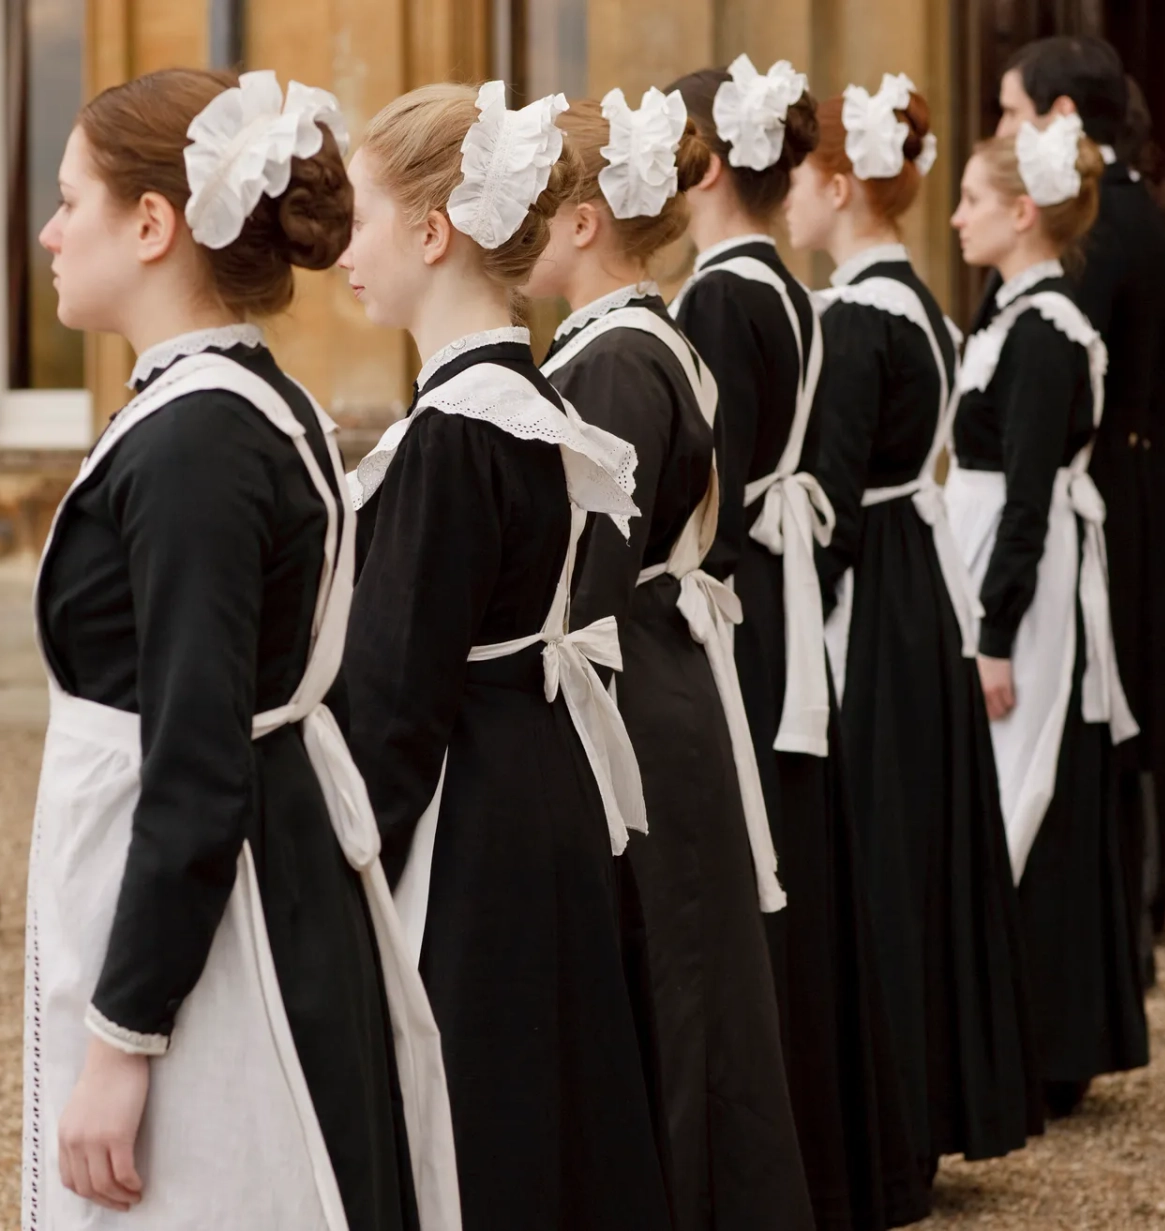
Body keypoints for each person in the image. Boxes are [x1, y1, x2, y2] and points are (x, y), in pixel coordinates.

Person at [22, 68, 456, 1231]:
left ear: (154, 224)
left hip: (226, 924)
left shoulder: (198, 440)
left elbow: (199, 767)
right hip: (261, 861)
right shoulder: (244, 399)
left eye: (72, 201)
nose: (51, 232)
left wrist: (124, 1040)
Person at [339, 80, 672, 1231]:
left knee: (482, 1106)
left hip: (471, 808)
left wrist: (333, 866)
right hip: (540, 783)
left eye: (360, 218)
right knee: (550, 1095)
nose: (343, 251)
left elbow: (392, 697)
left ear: (432, 233)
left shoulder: (453, 432)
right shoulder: (521, 400)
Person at [522, 87, 813, 1231]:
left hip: (640, 682)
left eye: (538, 206)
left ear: (587, 220)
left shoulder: (617, 362)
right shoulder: (635, 339)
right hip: (661, 668)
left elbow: (587, 568)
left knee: (679, 975)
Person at [669, 56, 926, 1230]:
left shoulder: (724, 295)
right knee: (798, 864)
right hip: (778, 588)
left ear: (710, 166)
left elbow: (705, 483)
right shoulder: (781, 282)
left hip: (745, 599)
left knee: (761, 867)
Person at [784, 75, 1040, 1173]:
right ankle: (927, 1104)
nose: (789, 199)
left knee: (879, 849)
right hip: (919, 588)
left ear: (840, 186)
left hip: (876, 603)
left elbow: (833, 501)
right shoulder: (924, 309)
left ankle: (887, 1123)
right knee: (918, 846)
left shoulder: (853, 319)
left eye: (800, 180)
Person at [998, 36, 1165, 947]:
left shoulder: (1102, 228)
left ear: (1061, 119)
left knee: (1119, 684)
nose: (1003, 129)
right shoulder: (1128, 211)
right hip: (1147, 477)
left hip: (1122, 488)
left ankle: (1124, 892)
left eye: (1014, 111)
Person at [945, 114, 1149, 1120]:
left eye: (973, 201)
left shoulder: (1045, 332)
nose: (955, 217)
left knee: (1029, 787)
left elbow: (1029, 496)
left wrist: (991, 631)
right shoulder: (1008, 312)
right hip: (996, 560)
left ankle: (1047, 1036)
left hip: (1022, 587)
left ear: (1022, 214)